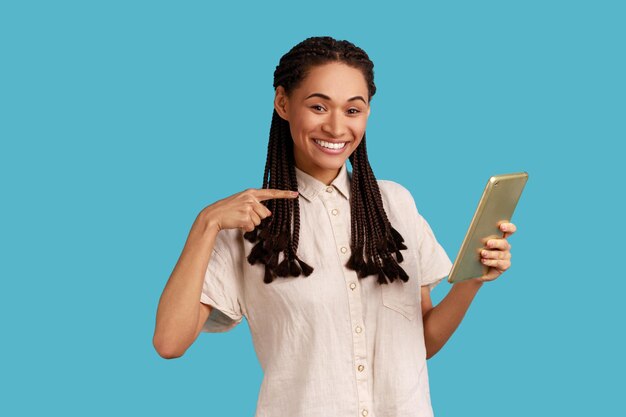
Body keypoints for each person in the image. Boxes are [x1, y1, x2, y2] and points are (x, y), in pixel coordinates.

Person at [153, 36, 517, 417]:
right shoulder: (248, 223)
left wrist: (474, 278)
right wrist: (206, 222)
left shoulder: (396, 204)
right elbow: (169, 342)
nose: (336, 127)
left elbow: (422, 341)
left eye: (353, 110)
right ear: (283, 103)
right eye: (318, 106)